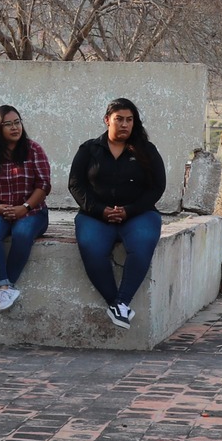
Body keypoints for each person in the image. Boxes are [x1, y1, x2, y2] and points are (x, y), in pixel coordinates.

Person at [68, 98, 168, 329]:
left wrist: (130, 211)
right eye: (119, 119)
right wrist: (100, 210)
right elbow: (76, 185)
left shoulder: (146, 150)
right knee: (92, 249)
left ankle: (121, 301)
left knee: (143, 244)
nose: (124, 124)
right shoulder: (89, 150)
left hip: (137, 214)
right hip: (95, 215)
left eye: (129, 120)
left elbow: (157, 187)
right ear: (107, 120)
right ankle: (117, 303)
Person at [0, 105, 51, 311]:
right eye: (8, 124)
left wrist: (24, 208)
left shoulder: (34, 150)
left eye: (17, 122)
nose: (15, 128)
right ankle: (4, 287)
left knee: (22, 233)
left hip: (32, 211)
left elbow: (43, 184)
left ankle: (5, 287)